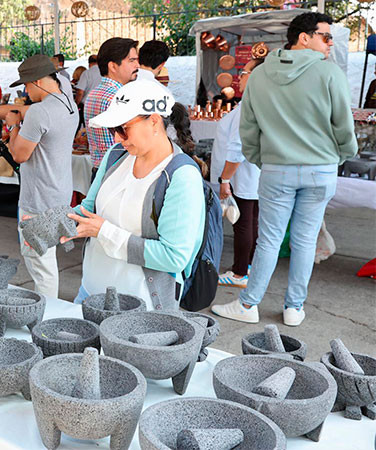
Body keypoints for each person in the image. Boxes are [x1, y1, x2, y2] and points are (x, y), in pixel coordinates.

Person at [211, 12, 356, 327]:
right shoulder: (329, 74)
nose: (330, 43)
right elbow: (344, 126)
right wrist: (341, 156)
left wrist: (263, 159)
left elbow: (248, 130)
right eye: (326, 36)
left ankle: (249, 304)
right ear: (304, 37)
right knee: (304, 240)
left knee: (270, 239)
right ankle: (294, 307)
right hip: (320, 169)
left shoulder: (260, 76)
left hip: (276, 168)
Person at [70, 80, 205, 311]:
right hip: (89, 292)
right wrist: (51, 225)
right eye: (113, 130)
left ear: (153, 120)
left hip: (141, 307)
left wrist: (104, 232)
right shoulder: (116, 155)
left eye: (123, 129)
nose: (116, 138)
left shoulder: (181, 176)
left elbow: (173, 257)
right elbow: (88, 208)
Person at [0, 55, 79, 299]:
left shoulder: (40, 112)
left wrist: (13, 127)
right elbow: (18, 110)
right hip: (59, 193)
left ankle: (46, 313)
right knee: (47, 258)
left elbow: (19, 155)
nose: (25, 91)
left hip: (36, 199)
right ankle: (49, 308)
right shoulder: (66, 99)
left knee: (40, 265)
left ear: (38, 81)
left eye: (27, 85)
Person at [210, 58, 264, 288]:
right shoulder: (259, 103)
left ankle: (240, 272)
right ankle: (247, 266)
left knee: (243, 223)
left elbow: (237, 147)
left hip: (241, 174)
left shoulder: (249, 107)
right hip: (252, 173)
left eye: (244, 72)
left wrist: (225, 179)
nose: (239, 76)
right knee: (250, 222)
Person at [84, 38, 139, 173]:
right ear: (113, 66)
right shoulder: (119, 97)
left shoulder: (94, 93)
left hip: (101, 170)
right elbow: (134, 141)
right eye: (131, 60)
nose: (137, 65)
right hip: (117, 172)